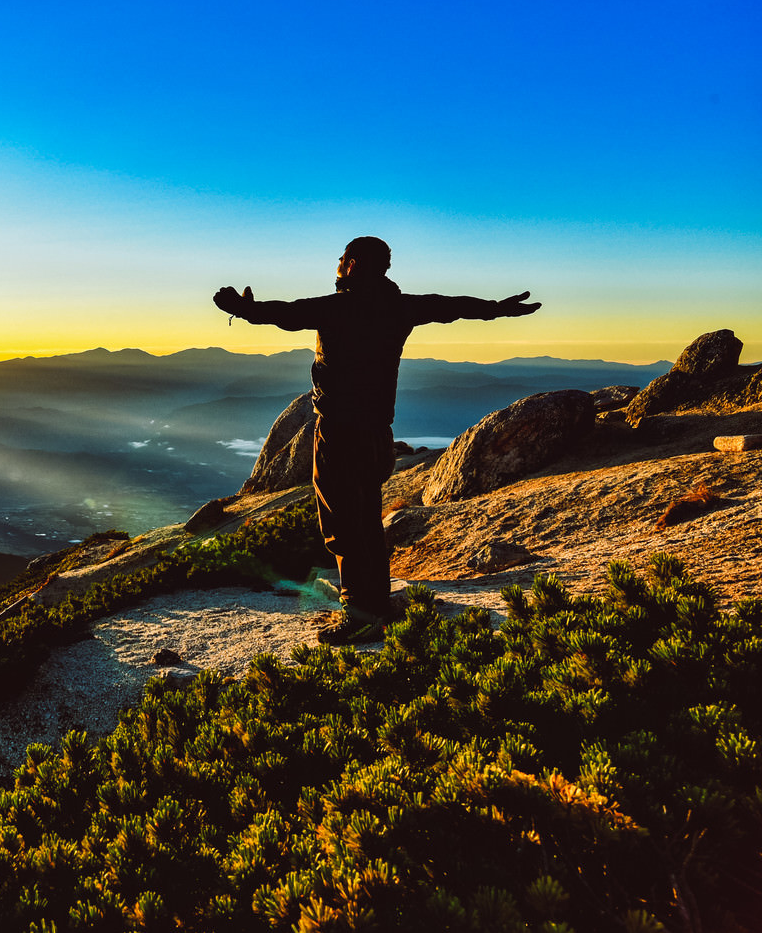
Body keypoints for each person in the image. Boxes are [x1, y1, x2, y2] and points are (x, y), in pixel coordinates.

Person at [213, 236, 540, 642]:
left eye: (341, 260)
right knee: (366, 519)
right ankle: (376, 604)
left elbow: (285, 314)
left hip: (339, 434)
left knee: (344, 525)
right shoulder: (399, 306)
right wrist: (498, 309)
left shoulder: (338, 307)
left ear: (351, 264)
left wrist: (242, 309)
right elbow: (452, 306)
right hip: (376, 435)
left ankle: (360, 616)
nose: (337, 265)